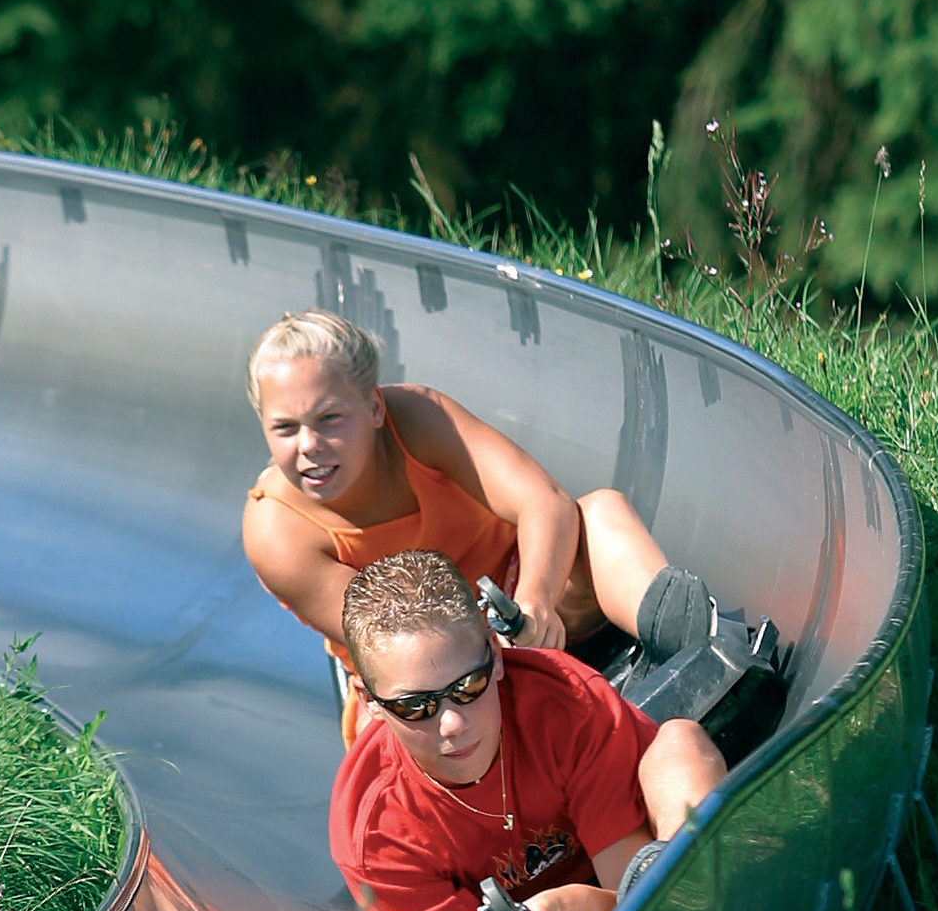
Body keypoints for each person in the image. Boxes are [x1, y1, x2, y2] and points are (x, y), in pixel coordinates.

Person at [309, 550, 725, 911]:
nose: (451, 724)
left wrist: (580, 909)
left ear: (496, 652)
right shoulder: (374, 827)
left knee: (678, 743)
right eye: (415, 707)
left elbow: (636, 898)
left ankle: (696, 887)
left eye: (468, 685)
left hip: (631, 906)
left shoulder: (563, 702)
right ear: (370, 704)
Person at [242, 311, 715, 739]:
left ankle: (695, 656)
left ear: (374, 409)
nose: (309, 445)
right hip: (433, 681)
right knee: (403, 710)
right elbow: (392, 641)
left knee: (601, 513)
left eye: (330, 419)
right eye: (285, 428)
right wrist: (495, 641)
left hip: (518, 609)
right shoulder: (276, 531)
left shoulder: (419, 419)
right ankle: (585, 728)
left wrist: (534, 599)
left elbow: (545, 501)